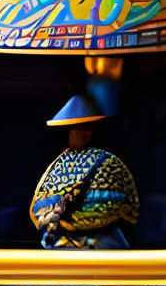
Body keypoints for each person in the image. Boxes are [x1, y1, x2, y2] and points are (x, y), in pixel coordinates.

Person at [30, 94, 139, 249]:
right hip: (68, 245)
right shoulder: (63, 161)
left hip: (94, 246)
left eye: (76, 129)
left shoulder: (108, 163)